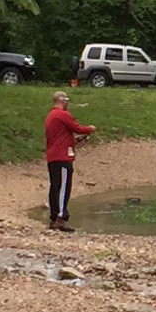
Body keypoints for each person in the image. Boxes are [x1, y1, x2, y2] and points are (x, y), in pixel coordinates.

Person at [44, 91, 96, 233]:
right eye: (66, 100)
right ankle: (62, 218)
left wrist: (74, 141)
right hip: (62, 157)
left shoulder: (50, 116)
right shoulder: (62, 114)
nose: (68, 103)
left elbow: (59, 137)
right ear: (62, 100)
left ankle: (54, 217)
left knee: (55, 187)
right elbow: (77, 128)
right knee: (63, 188)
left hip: (53, 155)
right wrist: (90, 129)